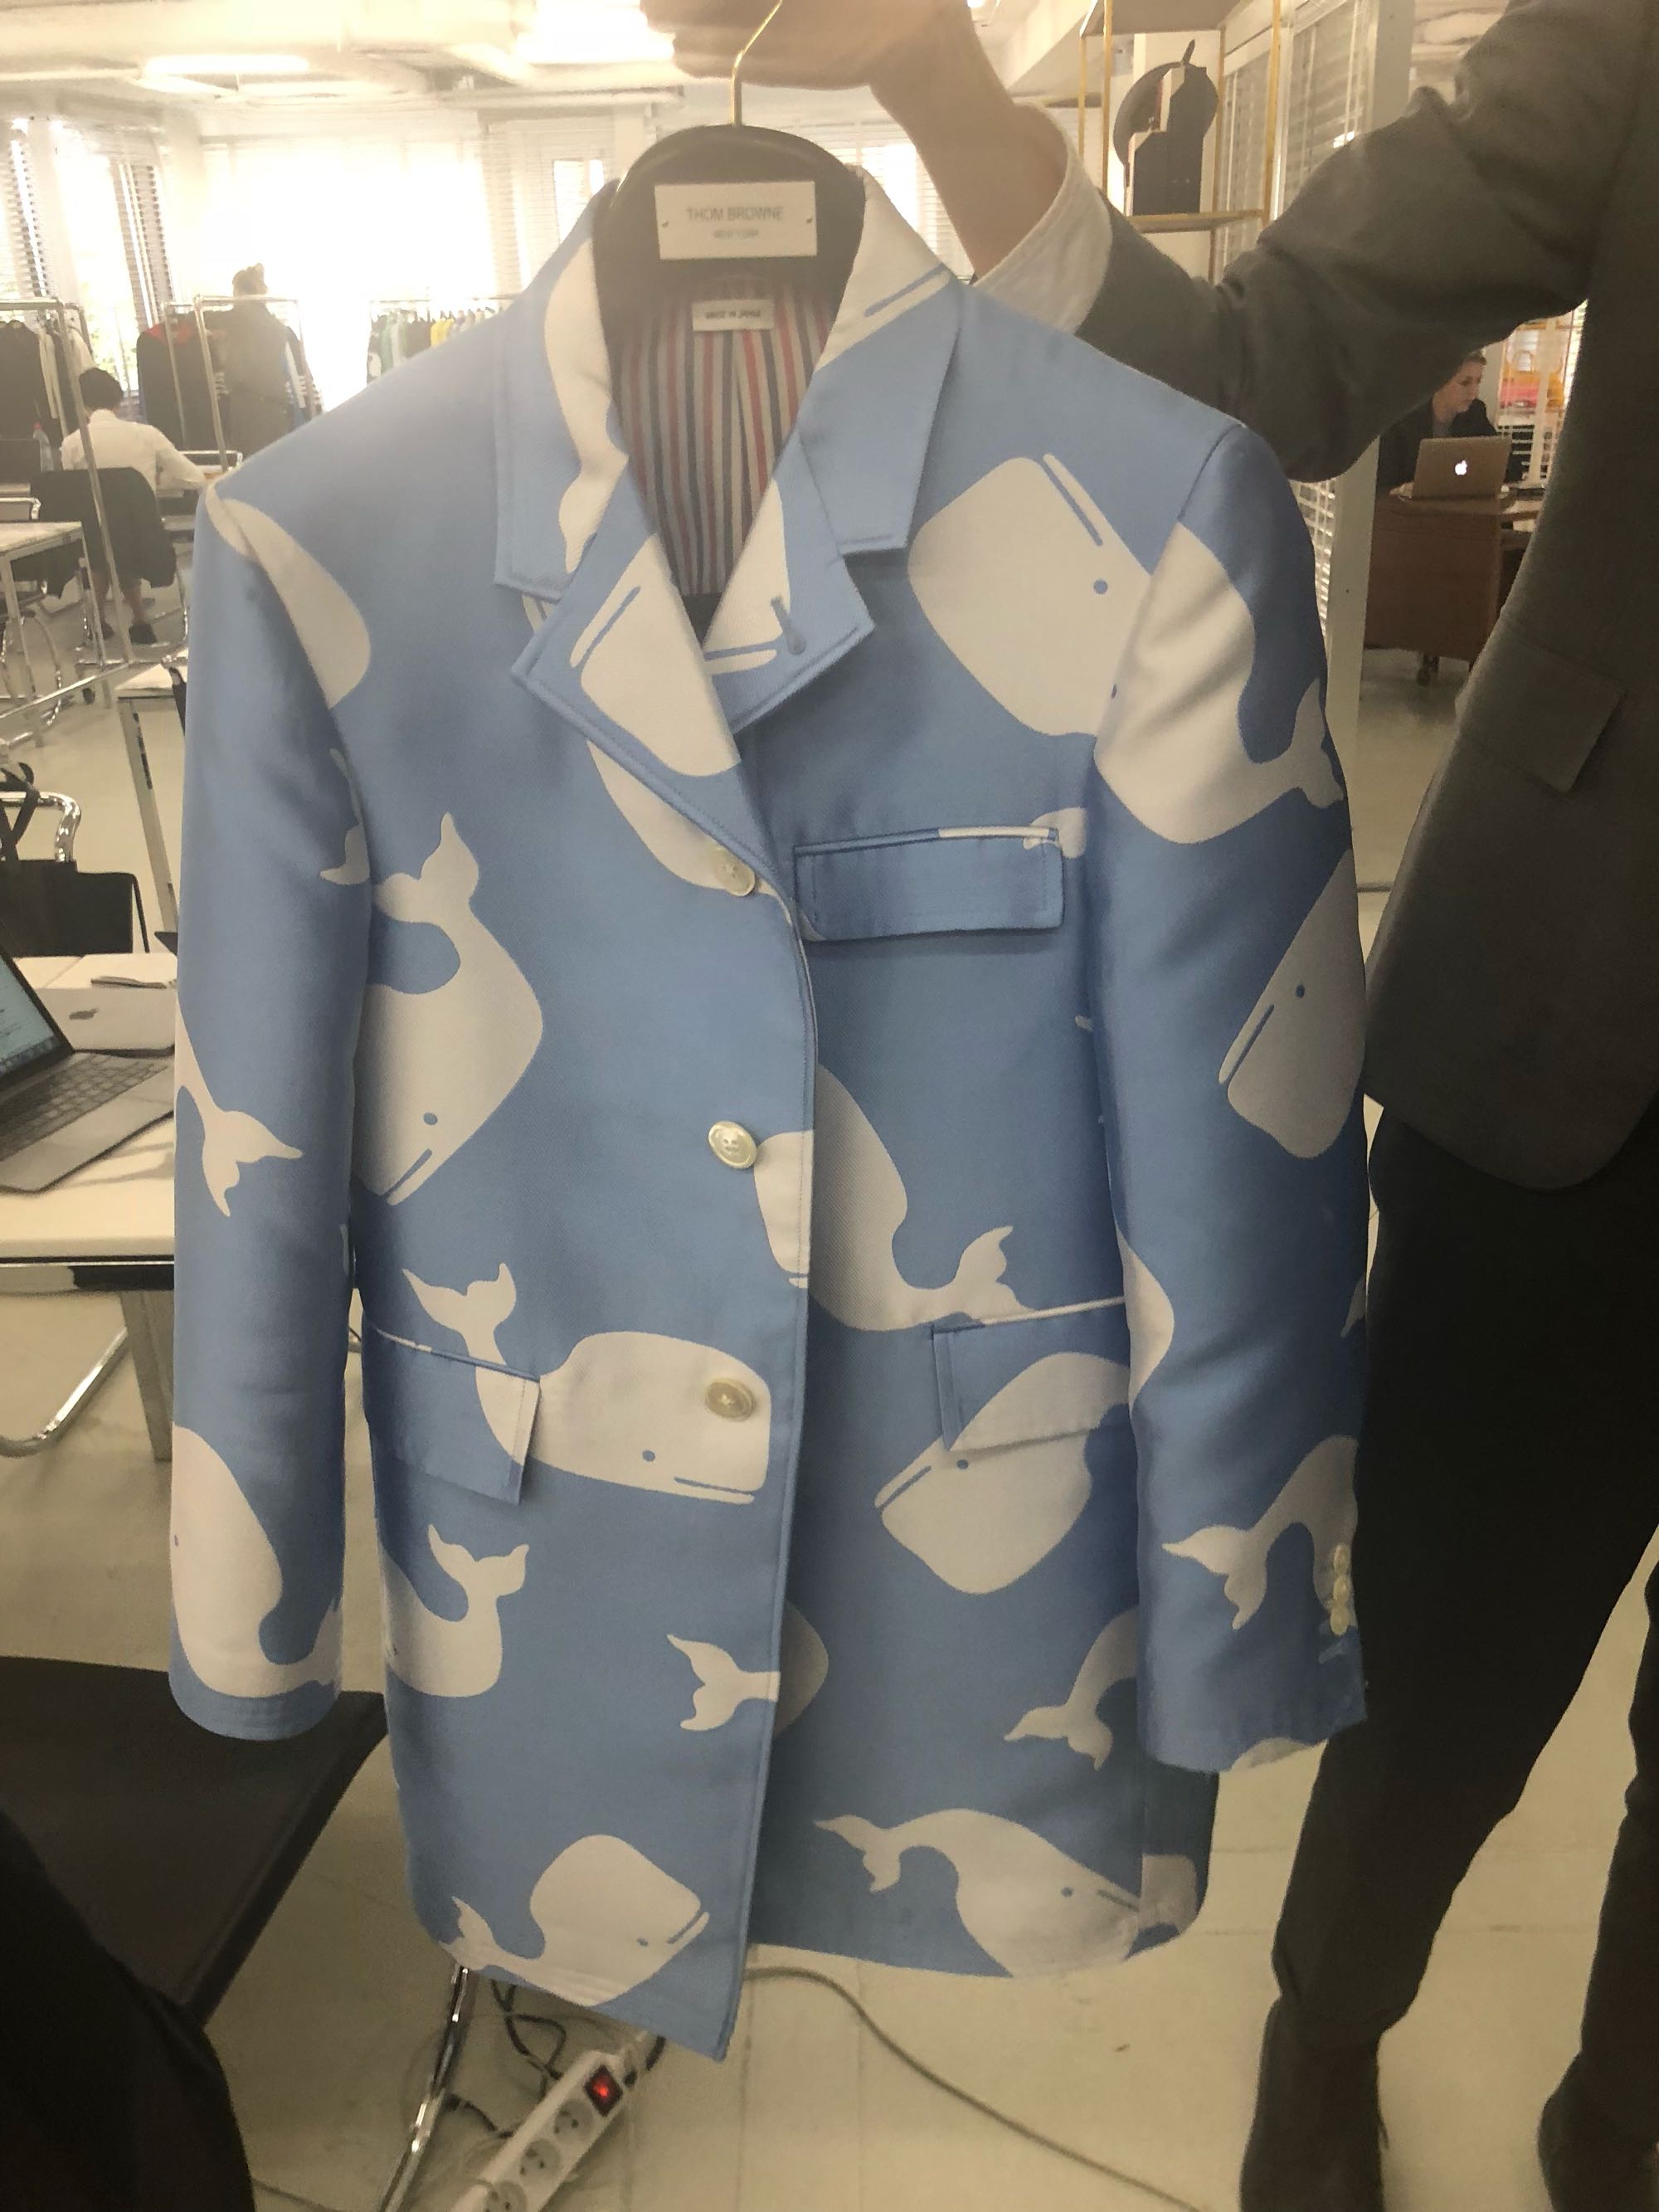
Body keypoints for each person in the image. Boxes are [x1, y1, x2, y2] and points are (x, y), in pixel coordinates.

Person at [645, 4, 1659, 2210]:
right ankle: (1328, 2031)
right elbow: (1249, 363)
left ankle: (1625, 2117)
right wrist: (931, 73)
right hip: (1595, 1033)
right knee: (1451, 1661)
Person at [59, 365, 205, 645]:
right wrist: (157, 480)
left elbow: (73, 492)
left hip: (94, 538)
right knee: (120, 533)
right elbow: (193, 477)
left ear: (82, 404)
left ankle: (99, 618)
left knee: (104, 535)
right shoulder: (146, 434)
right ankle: (139, 618)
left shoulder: (72, 444)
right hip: (143, 533)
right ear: (118, 400)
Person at [1374, 349, 1522, 492]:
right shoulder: (1403, 418)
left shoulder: (1475, 413)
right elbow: (1382, 481)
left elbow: (1512, 467)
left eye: (1478, 382)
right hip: (1409, 507)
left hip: (1458, 505)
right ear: (1439, 382)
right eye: (1465, 383)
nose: (1474, 393)